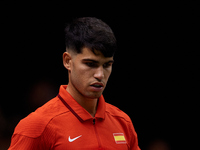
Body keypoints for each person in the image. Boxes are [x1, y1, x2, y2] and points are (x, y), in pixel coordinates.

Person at [8, 17, 140, 150]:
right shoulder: (37, 126)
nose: (100, 75)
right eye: (90, 64)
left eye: (107, 65)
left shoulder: (123, 122)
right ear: (67, 61)